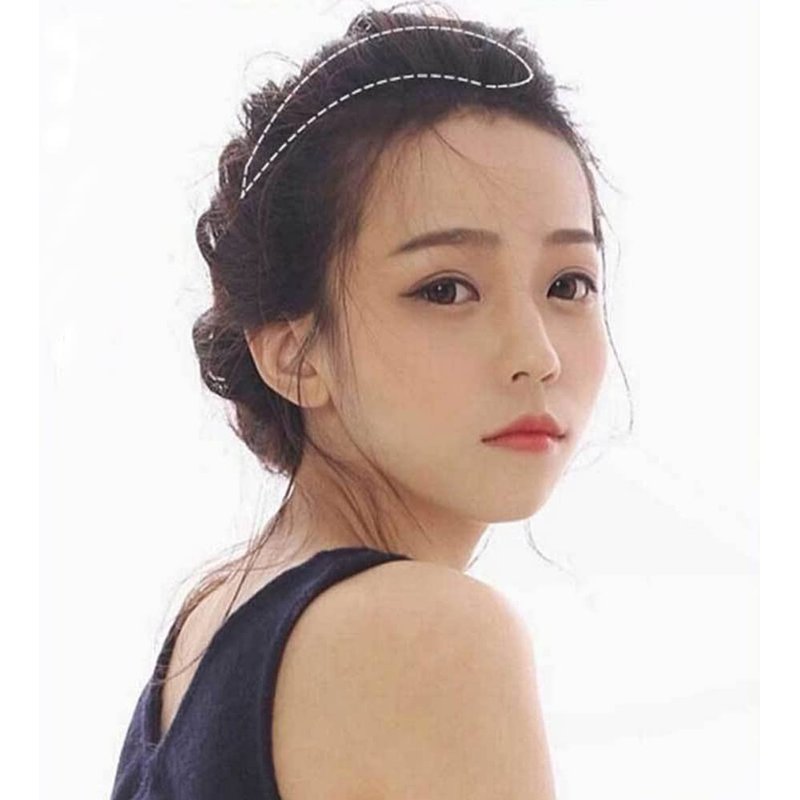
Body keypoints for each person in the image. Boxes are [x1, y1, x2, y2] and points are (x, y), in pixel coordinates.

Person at [110, 4, 615, 798]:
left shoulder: (217, 618)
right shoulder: (419, 631)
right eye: (445, 289)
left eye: (568, 285)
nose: (537, 356)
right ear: (294, 354)